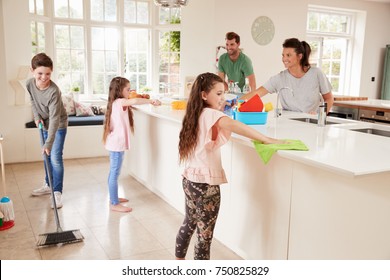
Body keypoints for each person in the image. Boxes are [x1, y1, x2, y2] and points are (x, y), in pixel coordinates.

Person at [175, 72, 284, 260]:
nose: (222, 98)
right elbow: (234, 124)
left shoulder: (196, 112)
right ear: (203, 95)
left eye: (223, 94)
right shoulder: (212, 114)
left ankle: (178, 261)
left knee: (189, 222)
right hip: (206, 186)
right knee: (204, 238)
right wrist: (266, 139)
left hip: (189, 181)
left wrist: (220, 108)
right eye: (218, 94)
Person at [103, 77, 161, 213]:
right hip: (116, 144)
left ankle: (114, 197)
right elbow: (134, 100)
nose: (130, 92)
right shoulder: (120, 102)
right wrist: (151, 100)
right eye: (128, 89)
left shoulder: (116, 102)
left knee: (114, 172)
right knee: (114, 173)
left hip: (115, 143)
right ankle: (114, 203)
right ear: (119, 90)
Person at [241, 38, 334, 114]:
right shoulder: (280, 78)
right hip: (288, 123)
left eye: (288, 55)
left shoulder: (316, 73)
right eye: (283, 55)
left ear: (299, 56)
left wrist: (320, 115)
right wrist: (233, 103)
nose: (284, 59)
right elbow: (257, 93)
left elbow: (329, 98)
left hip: (311, 123)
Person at [27, 53, 67, 209]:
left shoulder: (53, 91)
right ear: (32, 71)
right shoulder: (30, 84)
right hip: (43, 123)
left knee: (55, 157)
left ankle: (57, 192)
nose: (44, 77)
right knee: (46, 156)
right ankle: (48, 184)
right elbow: (32, 100)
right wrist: (36, 117)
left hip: (58, 124)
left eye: (48, 74)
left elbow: (55, 119)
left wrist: (48, 143)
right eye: (40, 73)